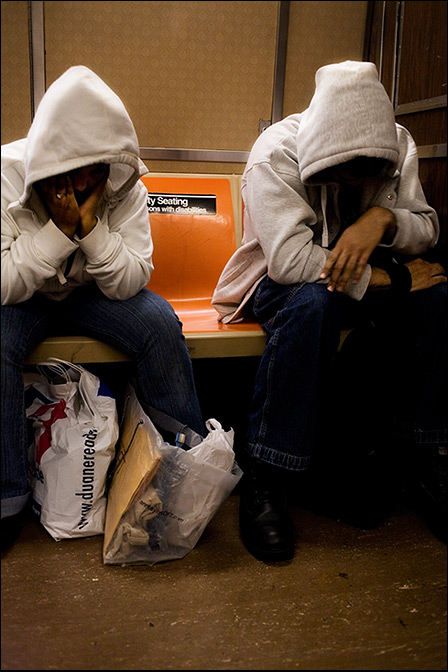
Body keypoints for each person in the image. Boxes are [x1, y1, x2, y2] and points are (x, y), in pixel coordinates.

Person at [212, 60, 447, 562]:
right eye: (346, 167)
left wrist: (383, 219)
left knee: (440, 296)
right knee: (312, 306)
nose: (357, 179)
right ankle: (267, 474)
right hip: (274, 279)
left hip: (358, 270)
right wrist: (396, 279)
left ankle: (430, 456)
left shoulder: (396, 144)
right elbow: (291, 261)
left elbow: (427, 229)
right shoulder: (276, 152)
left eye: (370, 169)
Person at [1, 66, 207, 551]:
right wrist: (58, 232)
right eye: (75, 170)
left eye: (98, 170)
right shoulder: (6, 175)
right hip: (25, 295)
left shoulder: (123, 183)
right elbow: (4, 282)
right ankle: (7, 496)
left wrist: (90, 231)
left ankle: (186, 477)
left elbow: (132, 278)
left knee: (159, 323)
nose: (88, 180)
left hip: (93, 290)